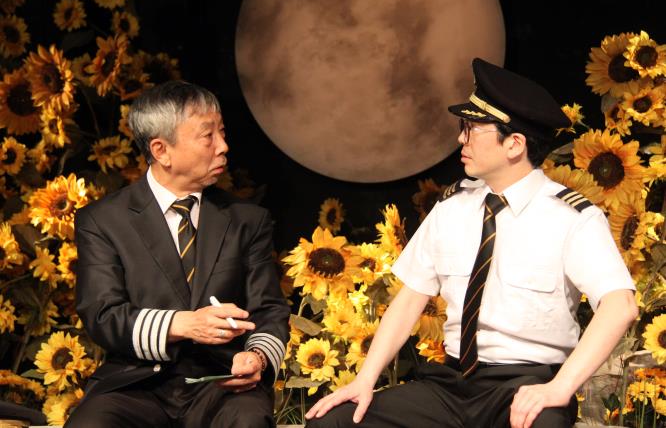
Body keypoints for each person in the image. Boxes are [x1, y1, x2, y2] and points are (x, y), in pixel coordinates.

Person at [305, 58, 638, 428]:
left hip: (525, 386)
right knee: (333, 422)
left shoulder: (571, 218)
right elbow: (411, 298)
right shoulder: (452, 207)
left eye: (472, 129)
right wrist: (364, 380)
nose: (460, 139)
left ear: (514, 144)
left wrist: (559, 388)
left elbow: (620, 306)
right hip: (451, 387)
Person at [66, 80, 290, 428]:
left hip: (222, 382)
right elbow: (103, 314)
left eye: (222, 132)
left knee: (248, 420)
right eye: (208, 136)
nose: (224, 147)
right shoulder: (103, 220)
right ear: (161, 151)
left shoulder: (247, 220)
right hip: (135, 383)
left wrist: (257, 357)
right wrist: (182, 324)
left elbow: (269, 310)